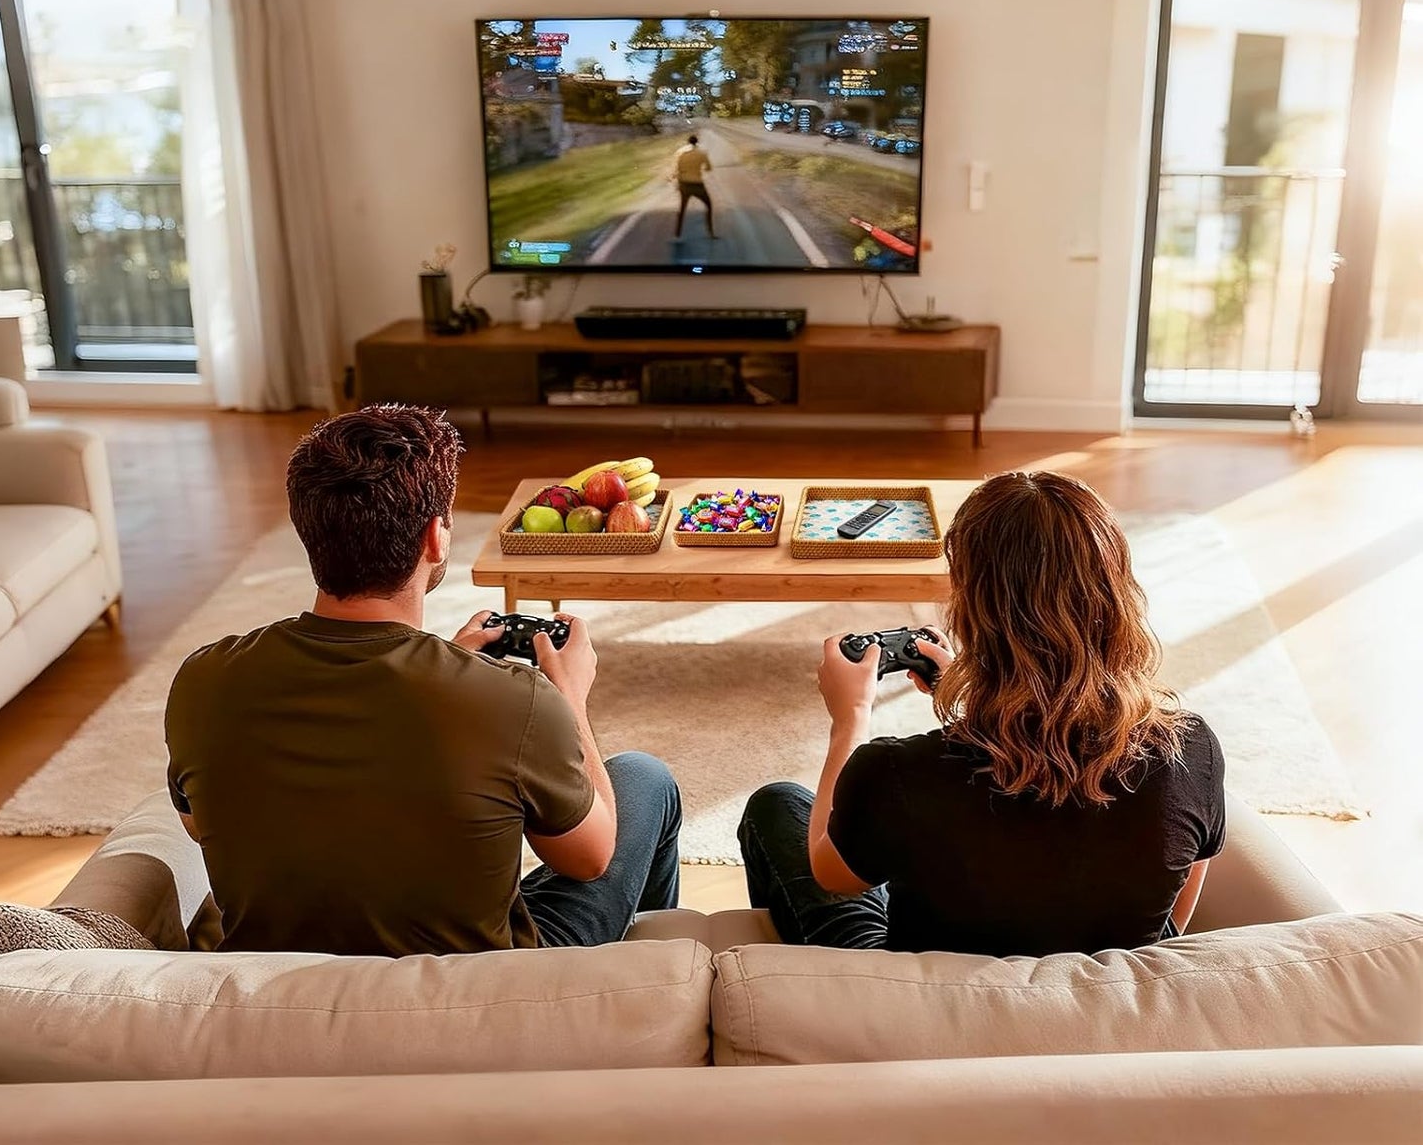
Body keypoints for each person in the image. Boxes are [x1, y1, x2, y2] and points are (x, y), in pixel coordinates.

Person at [165, 405, 681, 955]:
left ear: (307, 530)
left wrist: (449, 665)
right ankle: (645, 975)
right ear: (436, 537)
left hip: (281, 973)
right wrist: (570, 701)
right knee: (644, 778)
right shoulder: (515, 699)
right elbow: (590, 858)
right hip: (476, 985)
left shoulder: (204, 679)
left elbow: (199, 825)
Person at [739, 471, 1226, 956]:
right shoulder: (1191, 750)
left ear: (974, 606)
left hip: (929, 989)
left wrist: (851, 718)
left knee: (778, 805)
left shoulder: (896, 773)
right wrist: (980, 698)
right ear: (1117, 592)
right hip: (1100, 984)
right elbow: (1171, 920)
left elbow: (831, 875)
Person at [672, 133, 717, 239]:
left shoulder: (680, 152)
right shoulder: (702, 153)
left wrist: (677, 181)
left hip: (684, 183)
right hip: (697, 184)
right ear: (697, 142)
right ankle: (710, 233)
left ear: (688, 142)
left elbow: (676, 169)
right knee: (708, 206)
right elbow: (708, 168)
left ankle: (677, 234)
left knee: (682, 208)